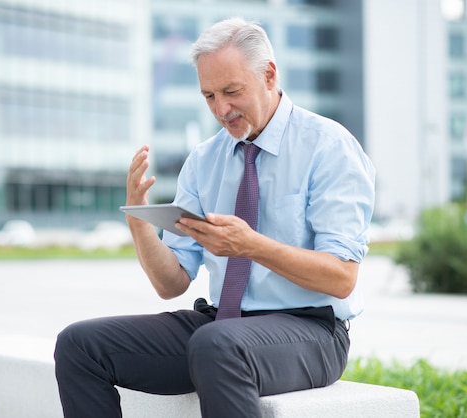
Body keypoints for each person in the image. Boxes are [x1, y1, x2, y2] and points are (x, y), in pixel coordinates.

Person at [54, 17, 375, 418]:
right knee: (79, 345)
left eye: (231, 91)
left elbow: (341, 278)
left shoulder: (329, 147)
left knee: (216, 344)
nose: (221, 109)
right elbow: (171, 284)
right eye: (208, 95)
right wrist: (138, 220)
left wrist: (251, 245)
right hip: (221, 325)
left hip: (311, 329)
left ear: (269, 75)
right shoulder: (204, 160)